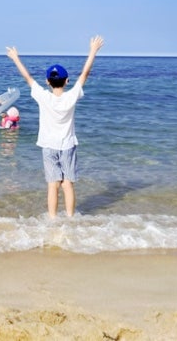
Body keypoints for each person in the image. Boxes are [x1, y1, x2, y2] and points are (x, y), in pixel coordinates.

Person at [6, 35, 105, 218]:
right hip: (67, 145)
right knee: (67, 184)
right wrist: (93, 51)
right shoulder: (71, 96)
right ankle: (70, 218)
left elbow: (27, 77)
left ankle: (52, 219)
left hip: (48, 146)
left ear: (47, 82)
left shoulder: (43, 96)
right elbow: (84, 74)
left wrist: (15, 58)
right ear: (67, 81)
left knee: (53, 185)